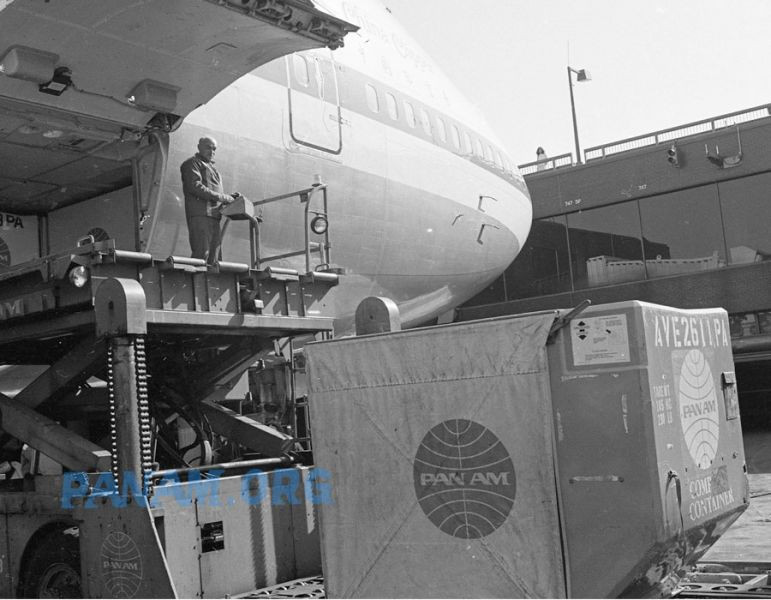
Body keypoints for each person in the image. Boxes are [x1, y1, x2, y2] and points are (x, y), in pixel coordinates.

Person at [180, 136, 239, 265]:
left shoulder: (214, 170)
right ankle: (195, 281)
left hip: (214, 217)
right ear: (199, 147)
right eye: (208, 147)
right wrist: (222, 197)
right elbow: (195, 186)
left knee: (215, 256)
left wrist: (230, 197)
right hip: (201, 215)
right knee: (202, 253)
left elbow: (215, 193)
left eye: (214, 149)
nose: (212, 152)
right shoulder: (191, 164)